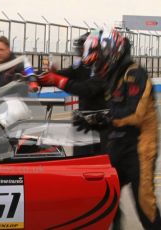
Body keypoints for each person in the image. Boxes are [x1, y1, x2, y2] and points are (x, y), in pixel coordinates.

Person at [80, 29, 161, 229]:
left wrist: (105, 117)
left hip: (140, 147)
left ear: (111, 53)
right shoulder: (111, 77)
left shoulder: (135, 73)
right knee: (104, 195)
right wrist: (91, 120)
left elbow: (135, 113)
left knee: (144, 203)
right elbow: (111, 109)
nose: (97, 65)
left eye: (99, 60)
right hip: (117, 145)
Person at [34, 32, 108, 155]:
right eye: (80, 49)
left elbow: (86, 89)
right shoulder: (81, 66)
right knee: (80, 159)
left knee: (99, 161)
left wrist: (59, 81)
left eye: (83, 49)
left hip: (101, 124)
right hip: (84, 122)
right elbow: (62, 74)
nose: (81, 52)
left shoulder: (105, 69)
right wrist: (36, 76)